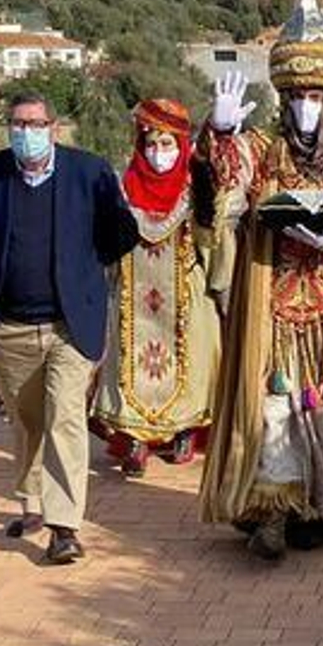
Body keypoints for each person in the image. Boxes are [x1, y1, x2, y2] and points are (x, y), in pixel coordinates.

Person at [197, 0, 323, 561]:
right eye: (297, 96)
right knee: (276, 408)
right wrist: (220, 135)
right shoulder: (260, 151)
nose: (306, 107)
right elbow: (225, 195)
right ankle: (277, 514)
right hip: (275, 307)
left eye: (317, 96)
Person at [0, 92, 139, 564]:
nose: (26, 132)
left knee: (65, 418)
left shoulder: (89, 172)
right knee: (27, 421)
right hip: (11, 327)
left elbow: (118, 237)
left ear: (54, 128)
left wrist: (85, 275)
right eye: (18, 124)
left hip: (69, 325)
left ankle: (63, 528)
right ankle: (33, 503)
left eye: (36, 124)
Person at [91, 99, 221, 479]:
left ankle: (183, 430)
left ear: (181, 146)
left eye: (167, 145)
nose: (158, 153)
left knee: (193, 357)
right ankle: (135, 439)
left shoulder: (195, 191)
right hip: (134, 296)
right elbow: (106, 244)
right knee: (127, 360)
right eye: (151, 144)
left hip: (186, 294)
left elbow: (211, 241)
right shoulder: (123, 188)